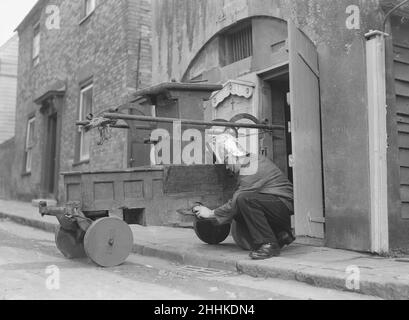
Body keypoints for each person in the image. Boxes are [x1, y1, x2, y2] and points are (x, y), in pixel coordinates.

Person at [193, 132, 295, 260]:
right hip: (276, 206)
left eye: (226, 161)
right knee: (242, 203)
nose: (227, 167)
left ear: (233, 156)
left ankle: (269, 244)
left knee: (244, 200)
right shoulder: (248, 163)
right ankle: (282, 234)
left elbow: (236, 201)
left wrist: (211, 213)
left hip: (282, 206)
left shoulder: (251, 167)